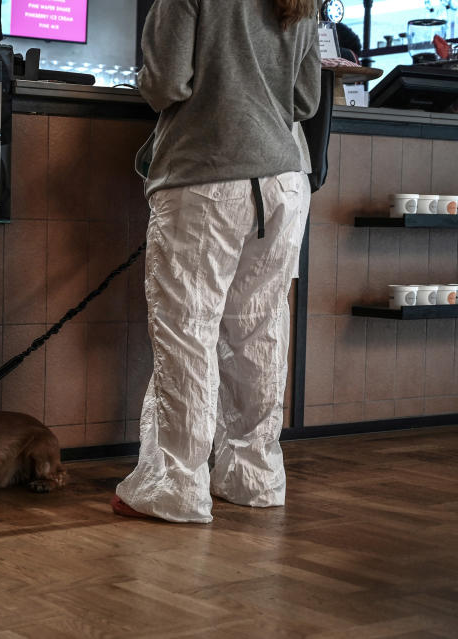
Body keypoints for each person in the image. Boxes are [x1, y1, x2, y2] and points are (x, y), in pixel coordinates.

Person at [113, 0, 321, 523]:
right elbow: (306, 98)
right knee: (259, 331)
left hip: (206, 174)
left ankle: (175, 486)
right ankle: (254, 476)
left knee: (187, 331)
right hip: (285, 181)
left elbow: (165, 84)